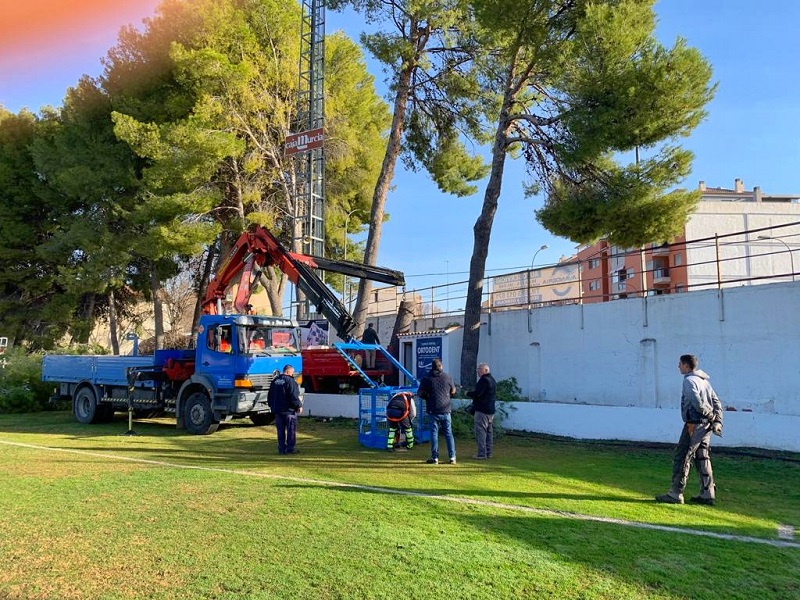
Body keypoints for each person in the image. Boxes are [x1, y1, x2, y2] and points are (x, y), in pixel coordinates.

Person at [656, 354, 723, 505]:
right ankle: (708, 493)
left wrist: (711, 416)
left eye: (680, 364)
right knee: (703, 458)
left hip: (694, 424)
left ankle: (675, 493)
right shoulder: (704, 381)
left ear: (686, 366)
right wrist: (716, 420)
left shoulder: (689, 381)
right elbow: (717, 402)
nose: (678, 366)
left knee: (683, 456)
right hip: (705, 425)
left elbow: (697, 403)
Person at [417, 358, 457, 464]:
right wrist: (448, 396)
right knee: (449, 434)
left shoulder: (426, 378)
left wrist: (428, 397)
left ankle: (435, 458)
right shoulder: (448, 377)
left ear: (432, 366)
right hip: (446, 410)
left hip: (433, 410)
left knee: (434, 434)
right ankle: (452, 457)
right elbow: (453, 391)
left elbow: (420, 393)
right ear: (441, 366)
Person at [267, 364, 303, 455]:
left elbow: (270, 395)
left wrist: (272, 406)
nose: (292, 374)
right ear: (288, 371)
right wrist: (298, 405)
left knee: (280, 430)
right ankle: (290, 448)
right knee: (291, 430)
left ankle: (281, 448)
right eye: (292, 372)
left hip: (278, 410)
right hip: (289, 410)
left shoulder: (275, 381)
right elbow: (293, 396)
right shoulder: (291, 381)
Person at [466, 363, 497, 460]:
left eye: (479, 369)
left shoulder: (484, 380)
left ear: (485, 370)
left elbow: (478, 394)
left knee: (481, 432)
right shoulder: (492, 380)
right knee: (489, 432)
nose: (477, 371)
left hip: (482, 410)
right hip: (490, 410)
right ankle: (489, 452)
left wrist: (468, 393)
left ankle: (481, 453)